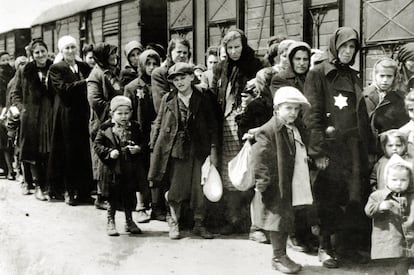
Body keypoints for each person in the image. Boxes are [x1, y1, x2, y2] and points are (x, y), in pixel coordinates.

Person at [303, 26, 374, 267]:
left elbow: (361, 115)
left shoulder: (353, 75)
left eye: (352, 47)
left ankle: (347, 248)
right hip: (330, 148)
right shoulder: (318, 73)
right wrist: (318, 151)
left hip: (352, 147)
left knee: (353, 195)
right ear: (335, 46)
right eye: (344, 46)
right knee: (327, 196)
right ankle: (325, 247)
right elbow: (311, 114)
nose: (348, 51)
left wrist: (368, 148)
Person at [148, 63, 218, 240]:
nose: (179, 82)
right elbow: (159, 122)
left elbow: (213, 125)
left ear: (191, 77)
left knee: (198, 187)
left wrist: (213, 149)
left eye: (183, 78)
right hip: (176, 149)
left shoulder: (204, 96)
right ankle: (174, 220)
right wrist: (154, 144)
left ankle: (199, 223)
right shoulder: (168, 99)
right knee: (176, 187)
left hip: (199, 149)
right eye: (175, 79)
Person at [251, 86, 313, 274]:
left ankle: (282, 254)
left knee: (286, 217)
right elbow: (260, 158)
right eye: (288, 108)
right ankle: (278, 256)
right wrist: (263, 182)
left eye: (296, 109)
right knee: (277, 220)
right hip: (276, 183)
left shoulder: (295, 128)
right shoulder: (269, 130)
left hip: (293, 180)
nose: (293, 113)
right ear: (277, 109)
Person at [211, 28, 263, 234]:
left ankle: (252, 222)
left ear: (244, 45)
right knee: (229, 170)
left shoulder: (255, 65)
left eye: (237, 47)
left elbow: (262, 94)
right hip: (226, 125)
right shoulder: (221, 68)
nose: (234, 51)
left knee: (248, 170)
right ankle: (232, 218)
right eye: (230, 48)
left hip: (247, 123)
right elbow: (216, 94)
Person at [48, 35, 93, 205]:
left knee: (83, 151)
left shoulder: (83, 66)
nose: (70, 51)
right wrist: (85, 82)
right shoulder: (56, 68)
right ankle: (69, 190)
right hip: (66, 114)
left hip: (82, 113)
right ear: (61, 50)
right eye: (66, 48)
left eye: (73, 47)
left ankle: (85, 191)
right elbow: (64, 89)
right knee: (68, 152)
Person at [94, 95, 145, 236]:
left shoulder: (135, 127)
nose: (123, 116)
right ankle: (111, 221)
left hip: (129, 167)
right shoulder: (105, 128)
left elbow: (143, 142)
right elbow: (97, 145)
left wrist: (138, 149)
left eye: (126, 113)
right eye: (119, 113)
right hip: (112, 169)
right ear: (112, 113)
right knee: (112, 196)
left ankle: (129, 221)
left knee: (129, 194)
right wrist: (109, 152)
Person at [10, 39, 54, 201]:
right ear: (32, 55)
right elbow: (16, 93)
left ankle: (50, 186)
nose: (41, 55)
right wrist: (23, 111)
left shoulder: (54, 67)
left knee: (49, 152)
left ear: (47, 51)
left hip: (50, 116)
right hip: (32, 118)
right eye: (37, 52)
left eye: (43, 51)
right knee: (33, 152)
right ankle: (36, 186)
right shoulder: (25, 70)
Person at [234, 78, 273, 244]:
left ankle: (266, 226)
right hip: (261, 150)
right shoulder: (257, 105)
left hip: (271, 149)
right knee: (260, 187)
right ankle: (256, 227)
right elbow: (243, 127)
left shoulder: (275, 103)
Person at [124, 49, 160, 222]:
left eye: (155, 64)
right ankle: (141, 205)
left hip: (157, 132)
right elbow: (128, 113)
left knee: (156, 168)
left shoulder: (161, 84)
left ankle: (157, 205)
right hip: (141, 132)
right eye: (148, 64)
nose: (152, 68)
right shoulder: (132, 87)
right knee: (140, 168)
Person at [365, 153, 414, 275]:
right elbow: (368, 210)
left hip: (405, 243)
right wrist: (380, 206)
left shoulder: (412, 197)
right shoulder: (378, 195)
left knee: (402, 269)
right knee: (385, 271)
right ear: (386, 179)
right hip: (386, 243)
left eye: (403, 180)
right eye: (394, 179)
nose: (398, 183)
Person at [87, 42, 122, 210]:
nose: (115, 58)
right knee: (102, 160)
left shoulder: (112, 72)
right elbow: (94, 101)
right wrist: (116, 107)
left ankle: (113, 196)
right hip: (102, 123)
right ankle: (101, 197)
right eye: (111, 55)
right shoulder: (96, 75)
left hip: (115, 121)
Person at [364, 57, 409, 153]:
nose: (385, 80)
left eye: (389, 76)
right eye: (381, 76)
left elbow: (403, 128)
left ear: (394, 77)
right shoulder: (364, 95)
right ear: (375, 75)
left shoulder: (400, 99)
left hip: (391, 149)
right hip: (367, 149)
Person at [151, 37, 192, 114]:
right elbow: (161, 106)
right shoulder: (160, 74)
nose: (182, 55)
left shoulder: (190, 74)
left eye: (185, 52)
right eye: (179, 52)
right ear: (170, 52)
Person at [0, 51, 16, 179]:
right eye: (3, 60)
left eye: (8, 60)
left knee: (9, 140)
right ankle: (8, 169)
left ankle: (10, 169)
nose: (6, 63)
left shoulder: (14, 73)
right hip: (1, 109)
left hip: (11, 107)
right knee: (3, 141)